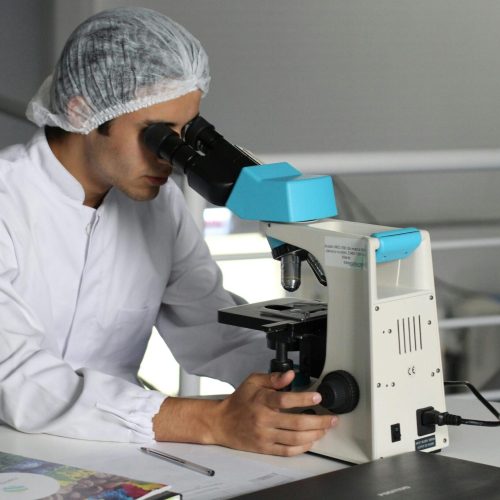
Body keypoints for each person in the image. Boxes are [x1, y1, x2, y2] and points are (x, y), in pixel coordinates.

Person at [0, 6, 336, 456]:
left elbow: (212, 330)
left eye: (185, 133)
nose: (170, 157)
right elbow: (14, 377)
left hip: (111, 449)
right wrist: (212, 421)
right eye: (156, 134)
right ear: (85, 110)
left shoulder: (160, 208)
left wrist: (312, 376)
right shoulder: (8, 200)